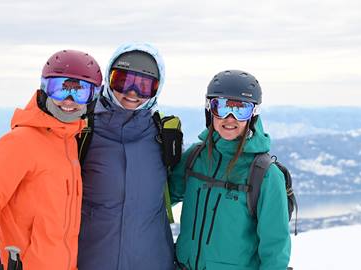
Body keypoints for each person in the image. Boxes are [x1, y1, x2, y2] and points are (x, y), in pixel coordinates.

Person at [0, 49, 102, 270]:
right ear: (45, 89)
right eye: (60, 89)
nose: (69, 101)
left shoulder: (73, 142)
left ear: (92, 98)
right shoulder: (20, 142)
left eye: (80, 92)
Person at [169, 70, 291, 269]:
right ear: (209, 110)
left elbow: (276, 248)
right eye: (222, 107)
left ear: (253, 115)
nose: (230, 118)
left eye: (240, 109)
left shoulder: (265, 174)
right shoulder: (195, 157)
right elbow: (160, 200)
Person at [77, 42, 175, 270]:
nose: (132, 93)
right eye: (122, 81)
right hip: (91, 261)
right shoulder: (83, 131)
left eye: (144, 86)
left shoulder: (164, 137)